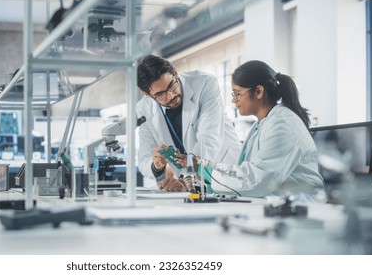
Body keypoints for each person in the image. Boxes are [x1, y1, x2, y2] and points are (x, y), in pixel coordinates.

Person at [209, 60, 325, 201]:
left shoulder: (282, 125)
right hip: (279, 204)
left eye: (237, 94)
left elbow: (258, 179)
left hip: (302, 208)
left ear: (258, 91)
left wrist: (209, 171)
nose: (234, 101)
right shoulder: (262, 124)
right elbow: (250, 173)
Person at [136, 54, 241, 191]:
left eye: (172, 85)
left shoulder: (204, 83)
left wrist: (184, 178)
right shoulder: (143, 109)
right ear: (147, 95)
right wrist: (156, 165)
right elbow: (144, 157)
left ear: (175, 72)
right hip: (189, 183)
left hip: (222, 169)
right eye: (161, 94)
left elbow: (208, 138)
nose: (171, 95)